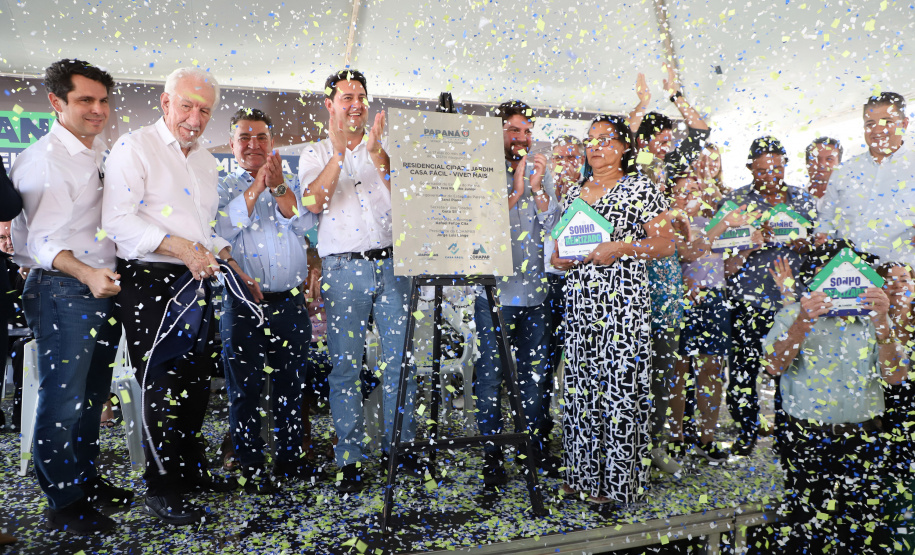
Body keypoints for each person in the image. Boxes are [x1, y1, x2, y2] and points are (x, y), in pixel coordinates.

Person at [103, 67, 242, 525]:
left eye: (205, 110)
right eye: (186, 106)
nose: (195, 119)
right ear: (165, 103)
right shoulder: (134, 146)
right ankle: (161, 488)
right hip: (148, 278)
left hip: (193, 278)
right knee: (161, 384)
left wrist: (227, 256)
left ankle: (189, 471)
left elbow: (200, 230)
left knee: (196, 381)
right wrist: (181, 248)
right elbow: (117, 222)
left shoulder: (205, 162)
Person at [10, 59, 130, 534]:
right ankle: (63, 501)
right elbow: (41, 242)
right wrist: (86, 273)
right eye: (85, 100)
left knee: (92, 397)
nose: (98, 109)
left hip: (98, 287)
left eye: (103, 100)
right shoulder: (46, 159)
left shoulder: (97, 149)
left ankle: (85, 481)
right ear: (56, 102)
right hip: (62, 288)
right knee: (62, 400)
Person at [298, 69, 418, 494]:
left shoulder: (387, 147)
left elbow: (410, 203)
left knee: (401, 363)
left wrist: (378, 154)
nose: (355, 103)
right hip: (343, 270)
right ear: (329, 105)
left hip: (392, 266)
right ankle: (349, 458)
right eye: (346, 97)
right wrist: (338, 154)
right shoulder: (313, 153)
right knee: (345, 367)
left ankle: (400, 448)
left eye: (361, 96)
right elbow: (313, 203)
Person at [551, 115, 674, 505]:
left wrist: (622, 247)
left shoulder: (640, 187)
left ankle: (619, 482)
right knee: (581, 389)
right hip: (581, 305)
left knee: (620, 390)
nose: (595, 146)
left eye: (605, 139)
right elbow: (562, 248)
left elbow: (666, 244)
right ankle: (583, 475)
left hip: (623, 305)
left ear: (624, 147)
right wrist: (559, 259)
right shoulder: (574, 192)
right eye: (591, 139)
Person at [763, 241, 906, 553]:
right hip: (807, 440)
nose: (837, 286)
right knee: (807, 532)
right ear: (813, 280)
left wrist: (883, 323)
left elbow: (896, 377)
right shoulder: (792, 314)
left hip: (866, 438)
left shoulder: (875, 317)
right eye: (828, 277)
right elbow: (773, 366)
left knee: (866, 533)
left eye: (845, 277)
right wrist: (804, 321)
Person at [215, 108, 318, 493]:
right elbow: (222, 228)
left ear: (272, 143)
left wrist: (276, 188)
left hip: (290, 304)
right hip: (242, 304)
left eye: (261, 137)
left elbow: (305, 224)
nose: (253, 144)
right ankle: (251, 465)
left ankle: (291, 459)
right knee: (244, 391)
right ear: (232, 144)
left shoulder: (290, 183)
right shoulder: (221, 186)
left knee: (291, 387)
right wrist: (256, 187)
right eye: (244, 137)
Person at [472, 100, 559, 486]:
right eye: (514, 130)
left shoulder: (543, 170)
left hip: (536, 295)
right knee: (490, 380)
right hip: (494, 296)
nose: (522, 138)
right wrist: (516, 189)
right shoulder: (480, 171)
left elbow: (554, 225)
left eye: (527, 131)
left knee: (535, 379)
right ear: (497, 132)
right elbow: (479, 228)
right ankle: (492, 456)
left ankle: (531, 452)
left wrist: (537, 189)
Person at [630, 64, 710, 473]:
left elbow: (700, 131)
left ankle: (655, 446)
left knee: (663, 370)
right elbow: (628, 138)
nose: (667, 145)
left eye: (669, 139)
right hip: (631, 285)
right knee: (632, 372)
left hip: (667, 286)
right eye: (659, 139)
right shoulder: (633, 168)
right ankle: (628, 449)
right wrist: (643, 105)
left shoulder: (673, 168)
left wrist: (676, 95)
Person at [723, 136, 817, 456]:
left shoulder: (803, 200)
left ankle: (786, 433)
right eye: (763, 170)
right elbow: (720, 258)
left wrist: (805, 245)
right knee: (744, 370)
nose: (771, 176)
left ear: (786, 165)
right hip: (747, 300)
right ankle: (746, 430)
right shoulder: (736, 201)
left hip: (790, 302)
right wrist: (749, 244)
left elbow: (819, 249)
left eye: (777, 168)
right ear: (750, 168)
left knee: (789, 369)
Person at [668, 169, 753, 462]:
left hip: (714, 299)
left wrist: (747, 249)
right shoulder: (667, 223)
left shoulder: (712, 223)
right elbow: (688, 253)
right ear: (671, 195)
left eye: (693, 191)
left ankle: (707, 438)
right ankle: (676, 437)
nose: (688, 197)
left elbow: (726, 269)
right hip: (680, 300)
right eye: (681, 191)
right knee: (678, 371)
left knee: (712, 371)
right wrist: (723, 225)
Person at [816, 93, 915, 268]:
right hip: (848, 276)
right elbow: (826, 218)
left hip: (902, 279)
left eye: (886, 122)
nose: (877, 130)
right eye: (870, 124)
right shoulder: (843, 171)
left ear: (904, 124)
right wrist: (822, 236)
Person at [541, 134, 583, 450]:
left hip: (582, 284)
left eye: (572, 157)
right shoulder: (539, 190)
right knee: (545, 361)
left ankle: (579, 433)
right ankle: (540, 434)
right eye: (560, 158)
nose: (566, 164)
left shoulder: (591, 193)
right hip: (546, 284)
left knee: (580, 363)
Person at [804, 137, 842, 211]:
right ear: (807, 163)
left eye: (829, 159)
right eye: (815, 158)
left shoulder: (849, 200)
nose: (822, 164)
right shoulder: (791, 199)